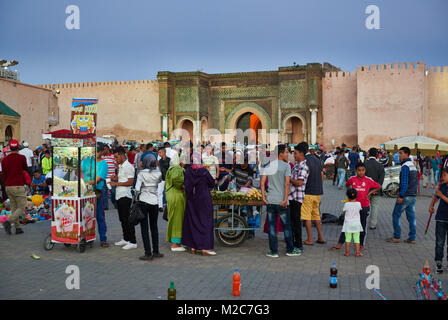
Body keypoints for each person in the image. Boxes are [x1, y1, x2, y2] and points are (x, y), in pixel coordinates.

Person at [261, 144, 302, 258]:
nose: (287, 154)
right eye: (286, 152)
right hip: (282, 201)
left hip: (271, 200)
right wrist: (285, 199)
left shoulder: (268, 165)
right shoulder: (286, 166)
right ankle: (290, 249)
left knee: (272, 227)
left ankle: (273, 251)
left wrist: (264, 197)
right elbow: (287, 183)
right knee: (287, 226)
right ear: (280, 154)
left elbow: (262, 182)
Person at [332, 163, 380, 251]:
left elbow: (378, 186)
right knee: (347, 224)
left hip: (364, 206)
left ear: (365, 171)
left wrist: (369, 193)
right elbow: (347, 185)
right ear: (356, 171)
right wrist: (350, 195)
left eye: (363, 170)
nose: (361, 172)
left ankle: (361, 244)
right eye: (359, 170)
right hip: (352, 207)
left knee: (362, 225)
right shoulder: (352, 179)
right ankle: (340, 243)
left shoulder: (368, 180)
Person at [182, 152, 216, 256]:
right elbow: (212, 183)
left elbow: (186, 186)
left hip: (192, 200)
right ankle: (205, 248)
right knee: (206, 223)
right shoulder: (204, 171)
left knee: (193, 222)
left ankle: (193, 246)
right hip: (204, 200)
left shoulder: (188, 171)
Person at [387, 147, 418, 244]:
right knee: (411, 218)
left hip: (405, 196)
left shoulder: (405, 166)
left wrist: (401, 196)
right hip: (413, 195)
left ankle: (396, 236)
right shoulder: (412, 165)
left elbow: (404, 183)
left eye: (401, 153)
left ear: (406, 154)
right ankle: (412, 238)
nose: (399, 155)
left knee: (396, 215)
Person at [135, 154, 163, 261]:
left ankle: (148, 253)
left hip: (143, 201)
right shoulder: (158, 173)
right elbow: (159, 182)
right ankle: (156, 251)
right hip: (154, 202)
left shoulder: (141, 173)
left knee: (144, 228)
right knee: (154, 227)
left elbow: (137, 188)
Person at [299, 142, 326, 245]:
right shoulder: (318, 160)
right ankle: (320, 237)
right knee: (316, 215)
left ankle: (309, 239)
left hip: (308, 191)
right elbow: (321, 174)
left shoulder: (305, 161)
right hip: (318, 192)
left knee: (307, 216)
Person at [110, 147, 136, 250]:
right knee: (122, 219)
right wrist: (116, 178)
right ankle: (126, 238)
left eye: (116, 157)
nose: (115, 160)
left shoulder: (128, 166)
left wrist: (116, 183)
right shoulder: (121, 166)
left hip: (126, 195)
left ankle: (133, 241)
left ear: (121, 155)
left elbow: (130, 182)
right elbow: (123, 178)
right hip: (119, 195)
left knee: (127, 219)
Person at [84, 142, 110, 248]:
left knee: (99, 216)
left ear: (101, 151)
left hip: (98, 192)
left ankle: (103, 238)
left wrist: (85, 182)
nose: (96, 153)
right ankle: (87, 237)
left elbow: (98, 179)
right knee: (86, 215)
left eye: (98, 151)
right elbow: (80, 171)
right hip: (86, 191)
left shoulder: (103, 164)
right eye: (95, 151)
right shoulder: (87, 161)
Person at [1, 140, 28, 235]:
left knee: (14, 207)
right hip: (18, 185)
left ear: (10, 148)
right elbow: (25, 168)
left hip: (8, 186)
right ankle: (8, 222)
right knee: (21, 206)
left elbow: (3, 175)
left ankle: (17, 228)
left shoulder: (4, 160)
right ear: (18, 148)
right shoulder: (21, 158)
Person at [288, 144, 309, 251]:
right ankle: (293, 242)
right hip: (291, 197)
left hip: (297, 198)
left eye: (295, 153)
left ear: (301, 153)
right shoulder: (296, 166)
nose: (294, 155)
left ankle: (298, 244)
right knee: (292, 222)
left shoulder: (303, 167)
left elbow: (299, 183)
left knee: (296, 222)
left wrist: (288, 179)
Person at [165, 152, 187, 251]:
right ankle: (175, 244)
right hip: (176, 195)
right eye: (184, 160)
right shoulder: (177, 168)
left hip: (172, 195)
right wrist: (182, 186)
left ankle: (176, 241)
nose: (185, 162)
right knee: (177, 219)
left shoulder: (172, 168)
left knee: (174, 218)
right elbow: (176, 179)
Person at [429, 168, 448, 273]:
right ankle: (439, 262)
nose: (443, 177)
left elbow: (440, 196)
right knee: (440, 242)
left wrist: (442, 196)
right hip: (441, 218)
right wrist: (431, 205)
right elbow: (436, 196)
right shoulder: (443, 186)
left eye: (445, 175)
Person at [365, 148, 385, 230]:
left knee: (364, 207)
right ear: (377, 155)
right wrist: (377, 188)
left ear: (368, 154)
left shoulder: (364, 164)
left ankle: (363, 222)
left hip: (365, 190)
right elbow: (381, 179)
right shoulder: (380, 165)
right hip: (377, 190)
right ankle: (373, 224)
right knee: (375, 207)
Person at [341, 188, 364, 257]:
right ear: (356, 196)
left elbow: (344, 212)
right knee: (357, 238)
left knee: (348, 238)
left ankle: (347, 253)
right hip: (356, 223)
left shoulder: (346, 204)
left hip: (348, 224)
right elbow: (359, 210)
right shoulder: (358, 204)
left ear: (347, 196)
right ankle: (357, 253)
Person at [102, 145, 116, 210]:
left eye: (105, 149)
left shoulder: (113, 156)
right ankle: (105, 206)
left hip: (111, 178)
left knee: (113, 191)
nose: (103, 151)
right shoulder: (102, 157)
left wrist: (116, 175)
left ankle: (115, 203)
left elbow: (117, 165)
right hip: (104, 178)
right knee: (104, 192)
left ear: (107, 149)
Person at [157, 147, 171, 211]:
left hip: (168, 179)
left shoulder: (169, 160)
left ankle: (168, 206)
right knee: (159, 192)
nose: (159, 154)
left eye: (160, 152)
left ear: (164, 152)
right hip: (161, 178)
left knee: (168, 193)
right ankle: (160, 206)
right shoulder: (159, 161)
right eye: (158, 152)